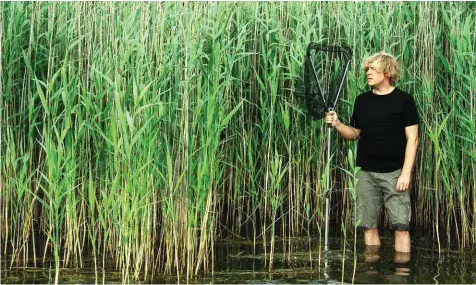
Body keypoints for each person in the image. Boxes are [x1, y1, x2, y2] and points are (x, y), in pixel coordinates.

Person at [325, 51, 419, 253]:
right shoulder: (362, 101)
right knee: (368, 226)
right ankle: (370, 273)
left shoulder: (404, 100)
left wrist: (405, 173)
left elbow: (413, 138)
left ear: (386, 72)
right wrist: (338, 123)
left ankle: (401, 275)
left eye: (373, 69)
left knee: (401, 226)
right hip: (365, 173)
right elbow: (354, 134)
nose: (368, 72)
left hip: (394, 173)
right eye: (367, 69)